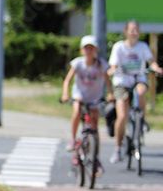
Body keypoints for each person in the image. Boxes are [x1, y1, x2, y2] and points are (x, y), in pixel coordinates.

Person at [108, 20, 163, 163]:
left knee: (140, 92)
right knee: (122, 116)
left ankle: (142, 120)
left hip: (138, 79)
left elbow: (151, 62)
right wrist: (112, 70)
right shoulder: (119, 47)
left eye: (136, 29)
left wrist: (156, 68)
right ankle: (117, 148)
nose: (134, 32)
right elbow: (113, 65)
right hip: (121, 82)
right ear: (126, 31)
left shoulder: (142, 46)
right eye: (132, 29)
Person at [61, 35, 109, 162]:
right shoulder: (78, 63)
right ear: (82, 50)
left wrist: (110, 94)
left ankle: (95, 158)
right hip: (80, 94)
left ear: (95, 50)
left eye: (91, 48)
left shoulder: (101, 65)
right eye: (86, 48)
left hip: (94, 97)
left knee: (94, 126)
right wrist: (65, 94)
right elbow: (67, 80)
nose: (89, 51)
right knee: (77, 110)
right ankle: (73, 139)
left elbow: (107, 81)